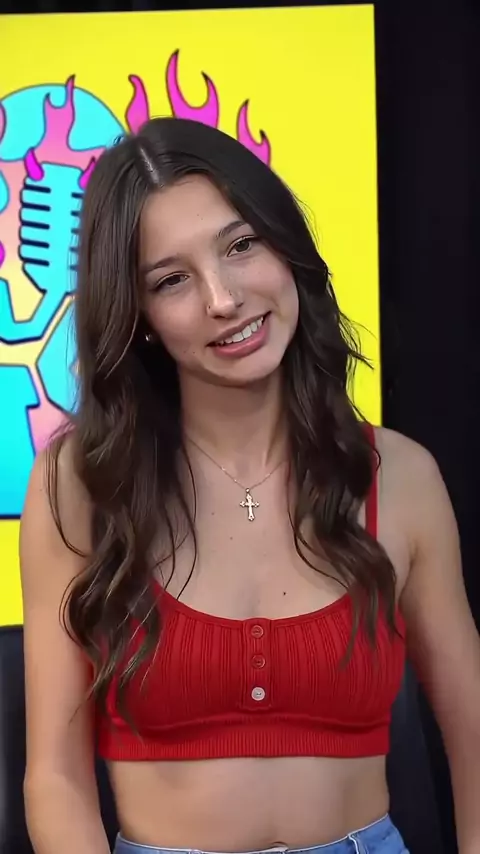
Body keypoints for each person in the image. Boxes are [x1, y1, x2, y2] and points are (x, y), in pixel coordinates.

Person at [20, 117, 480, 854]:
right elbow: (54, 779)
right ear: (139, 316)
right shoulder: (78, 487)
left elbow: (474, 740)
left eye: (241, 246)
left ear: (286, 248)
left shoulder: (402, 478)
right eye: (172, 280)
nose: (223, 299)